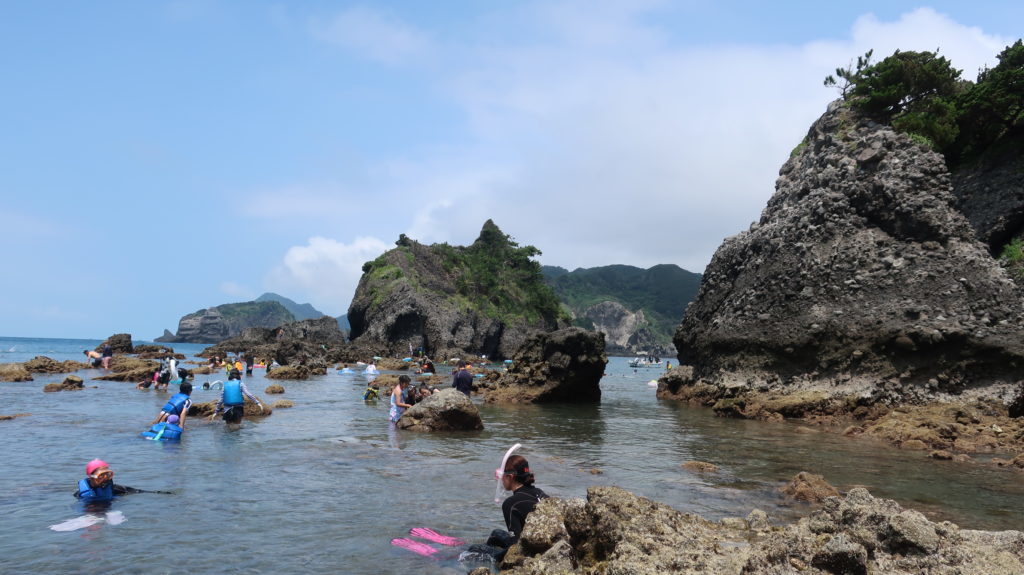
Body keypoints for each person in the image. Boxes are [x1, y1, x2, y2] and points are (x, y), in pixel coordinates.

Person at [74, 459, 140, 505]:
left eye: (108, 475)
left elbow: (138, 491)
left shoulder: (114, 489)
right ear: (91, 477)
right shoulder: (80, 494)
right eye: (101, 476)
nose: (105, 479)